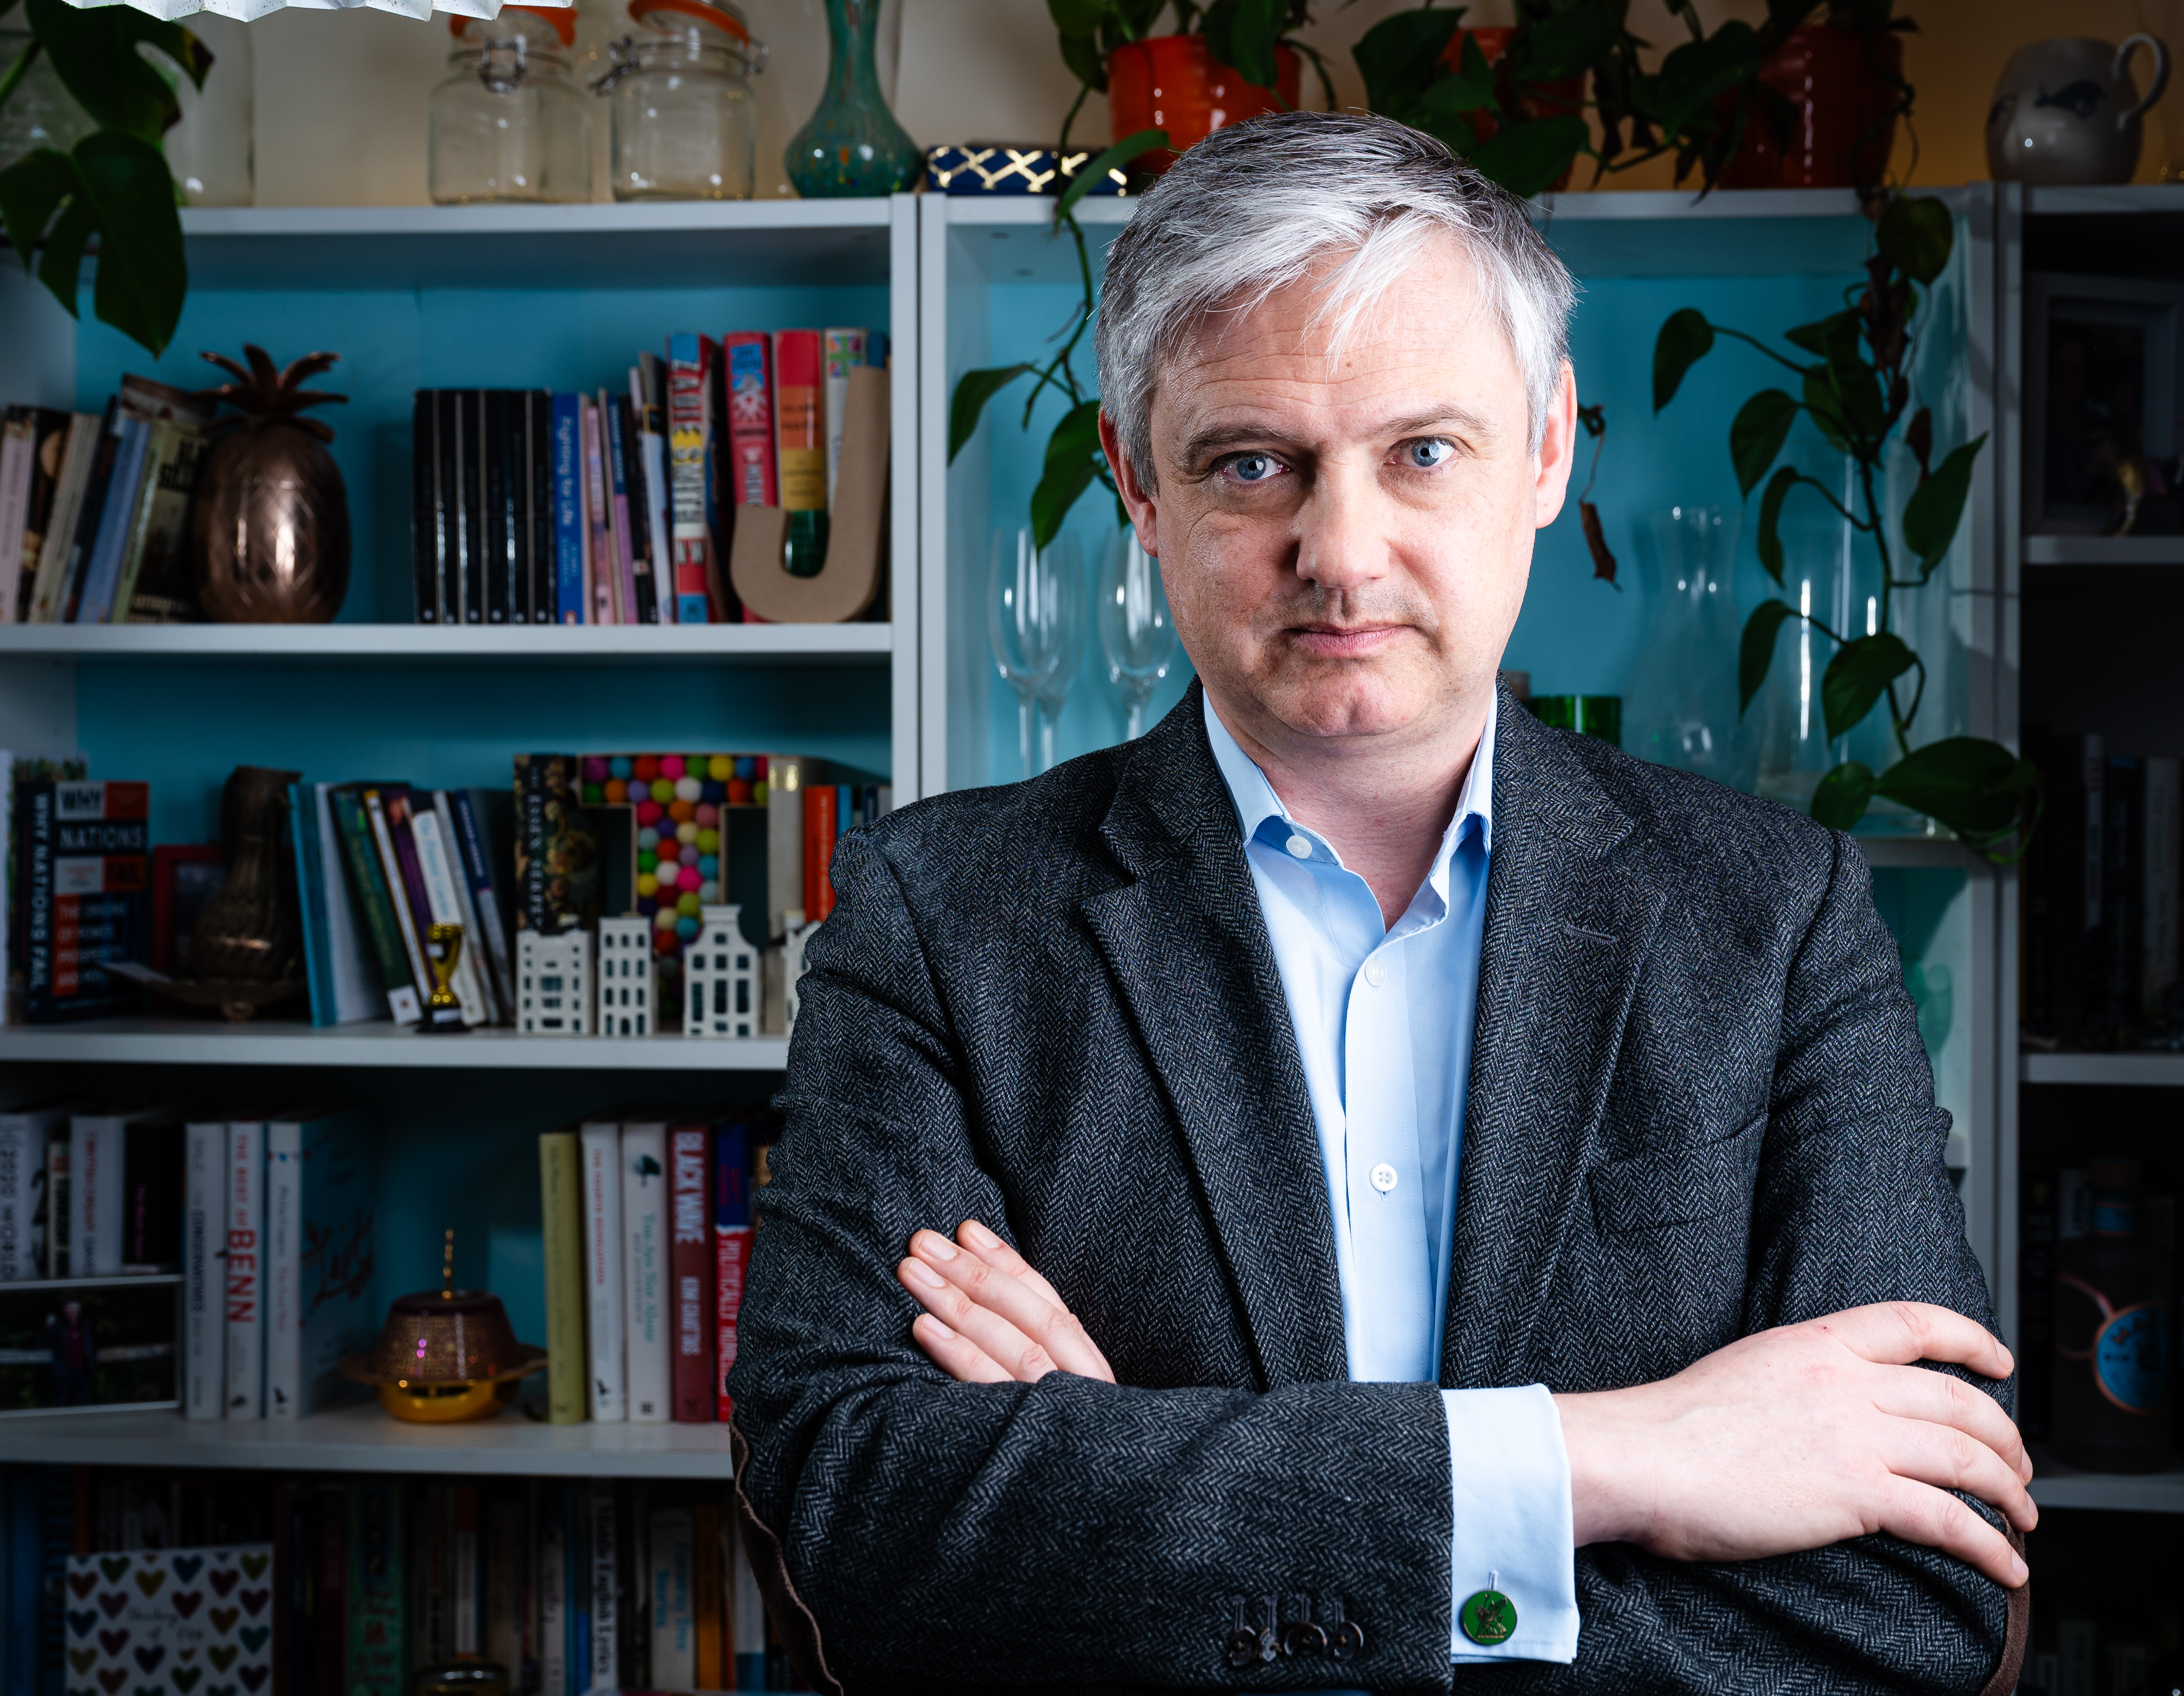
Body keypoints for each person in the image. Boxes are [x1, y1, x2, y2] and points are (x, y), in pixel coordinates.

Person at [731, 110, 2033, 1696]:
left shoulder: (1781, 916)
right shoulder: (939, 915)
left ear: (1547, 450)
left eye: (1422, 452)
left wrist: (1138, 1495)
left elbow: (1921, 1590)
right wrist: (1613, 1457)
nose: (1340, 555)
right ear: (1138, 481)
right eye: (1252, 463)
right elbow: (866, 1517)